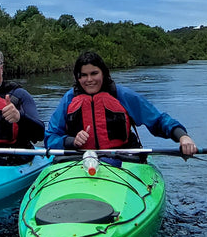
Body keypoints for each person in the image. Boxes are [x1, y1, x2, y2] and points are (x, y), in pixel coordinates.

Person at [45, 50, 198, 157]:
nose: (89, 80)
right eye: (83, 75)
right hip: (79, 159)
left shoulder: (122, 95)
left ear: (103, 73)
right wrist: (71, 141)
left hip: (121, 158)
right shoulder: (69, 99)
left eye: (94, 73)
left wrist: (183, 137)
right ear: (77, 77)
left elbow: (158, 120)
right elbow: (50, 137)